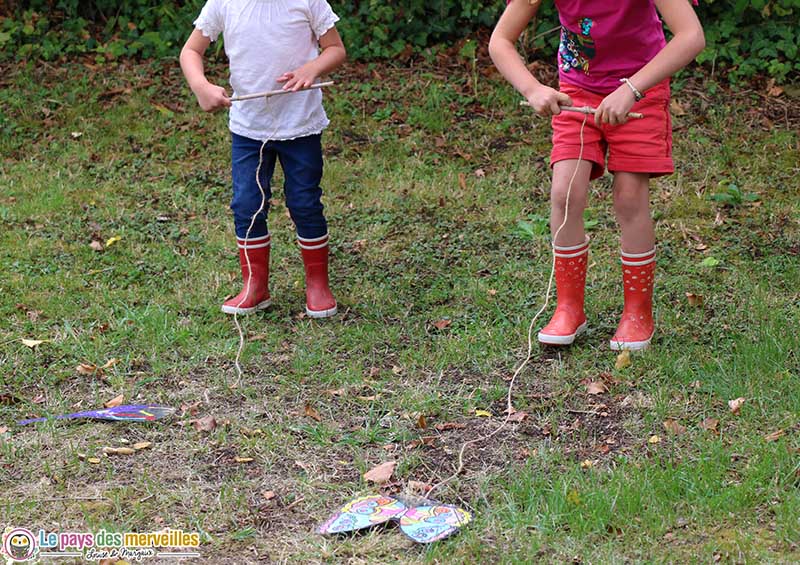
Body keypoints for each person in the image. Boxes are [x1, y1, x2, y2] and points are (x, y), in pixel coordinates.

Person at [489, 0, 705, 350]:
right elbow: (500, 41)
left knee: (630, 198)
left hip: (641, 92)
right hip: (576, 94)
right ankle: (568, 308)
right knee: (565, 192)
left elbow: (691, 36)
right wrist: (532, 89)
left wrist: (631, 90)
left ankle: (637, 314)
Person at [180, 0, 346, 318]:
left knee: (305, 202)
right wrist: (200, 86)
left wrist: (312, 68)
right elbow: (190, 51)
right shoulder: (223, 3)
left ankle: (318, 285)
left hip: (301, 126)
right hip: (249, 130)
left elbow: (335, 49)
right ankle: (255, 287)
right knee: (247, 204)